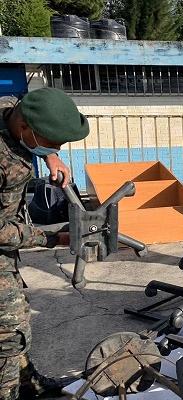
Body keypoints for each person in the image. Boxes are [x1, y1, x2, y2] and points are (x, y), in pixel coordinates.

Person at [0, 87, 89, 399]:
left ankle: (27, 383)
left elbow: (24, 108)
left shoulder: (12, 110)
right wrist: (47, 237)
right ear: (24, 130)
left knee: (16, 316)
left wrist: (51, 156)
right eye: (53, 143)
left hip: (6, 249)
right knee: (7, 330)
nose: (58, 148)